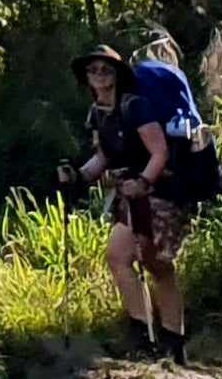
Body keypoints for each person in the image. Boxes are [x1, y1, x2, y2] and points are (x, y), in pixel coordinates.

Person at [60, 43, 205, 362]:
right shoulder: (99, 113)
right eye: (93, 70)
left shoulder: (136, 107)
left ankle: (161, 339)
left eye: (106, 70)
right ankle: (155, 339)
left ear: (117, 75)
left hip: (162, 193)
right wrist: (79, 176)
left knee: (143, 260)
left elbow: (159, 152)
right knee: (134, 260)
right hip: (132, 196)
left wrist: (142, 182)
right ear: (86, 77)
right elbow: (104, 156)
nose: (99, 75)